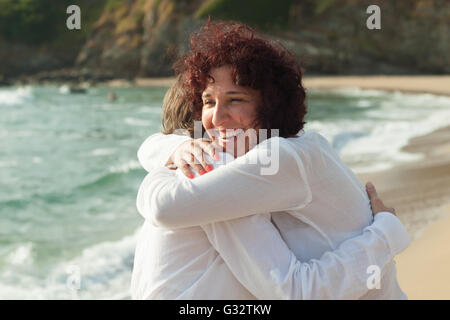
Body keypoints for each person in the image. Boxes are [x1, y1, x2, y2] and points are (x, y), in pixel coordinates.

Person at [131, 21, 410, 300]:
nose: (216, 119)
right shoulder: (305, 148)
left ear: (270, 104)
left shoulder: (271, 160)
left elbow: (163, 205)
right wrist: (174, 147)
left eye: (236, 99)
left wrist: (387, 233)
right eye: (208, 102)